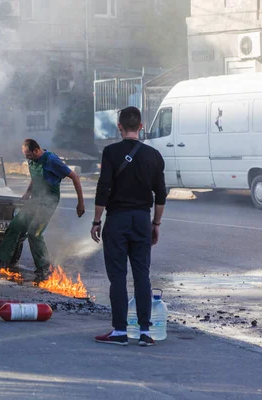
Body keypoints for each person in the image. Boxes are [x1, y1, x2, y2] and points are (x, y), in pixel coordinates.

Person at [91, 106, 167, 347]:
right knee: (142, 274)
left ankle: (120, 331)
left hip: (117, 220)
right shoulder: (154, 155)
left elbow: (104, 188)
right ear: (141, 127)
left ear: (120, 127)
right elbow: (161, 195)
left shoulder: (111, 152)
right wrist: (156, 223)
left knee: (118, 277)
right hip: (143, 219)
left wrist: (96, 220)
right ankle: (145, 332)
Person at [0, 139, 85, 282]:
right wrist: (28, 192)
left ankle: (44, 268)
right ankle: (3, 260)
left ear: (36, 150)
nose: (27, 158)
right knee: (16, 225)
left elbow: (75, 177)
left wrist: (80, 203)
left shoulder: (52, 161)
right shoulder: (33, 159)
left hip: (48, 201)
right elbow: (35, 177)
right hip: (35, 198)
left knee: (34, 232)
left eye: (29, 155)